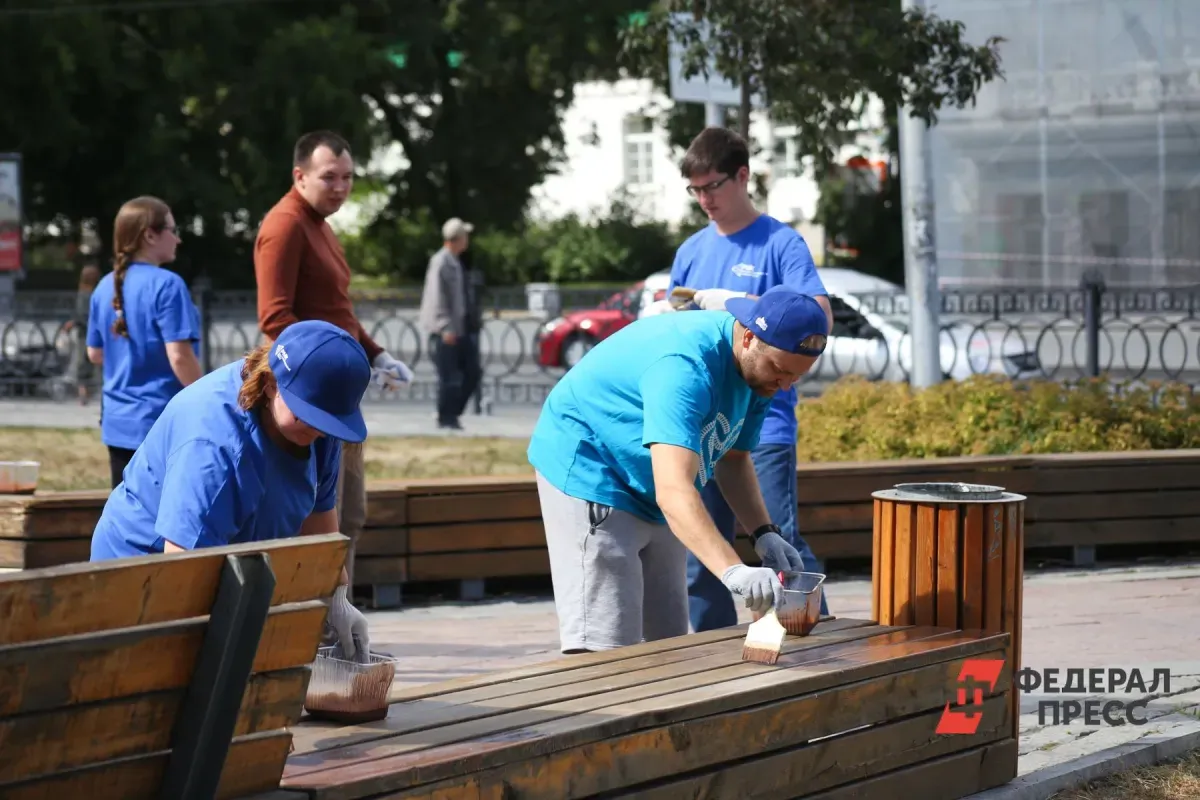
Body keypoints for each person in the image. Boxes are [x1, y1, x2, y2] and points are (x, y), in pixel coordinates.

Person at [527, 285, 829, 653]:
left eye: (796, 377)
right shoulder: (685, 368)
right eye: (781, 371)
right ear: (749, 337)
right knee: (608, 648)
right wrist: (734, 571)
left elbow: (733, 458)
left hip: (659, 483)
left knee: (668, 641)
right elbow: (673, 492)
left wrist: (764, 533)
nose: (784, 385)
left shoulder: (760, 374)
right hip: (595, 469)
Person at [89, 319, 375, 658]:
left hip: (229, 567)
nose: (318, 431)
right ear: (270, 385)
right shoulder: (214, 446)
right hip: (145, 577)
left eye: (329, 423)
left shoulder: (316, 425)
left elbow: (319, 527)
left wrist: (337, 598)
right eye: (309, 417)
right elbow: (184, 573)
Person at [667, 127, 835, 632]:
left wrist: (736, 304)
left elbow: (819, 316)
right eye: (695, 191)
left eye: (712, 186)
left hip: (764, 426)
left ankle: (815, 644)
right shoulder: (692, 249)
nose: (704, 200)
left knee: (778, 544)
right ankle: (714, 665)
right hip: (704, 425)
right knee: (704, 557)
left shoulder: (780, 243)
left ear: (743, 176)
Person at [254, 129, 413, 591]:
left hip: (338, 393)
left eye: (348, 177)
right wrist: (312, 380)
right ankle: (319, 630)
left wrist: (376, 353)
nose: (341, 187)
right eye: (329, 177)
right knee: (323, 519)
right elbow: (274, 317)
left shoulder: (320, 226)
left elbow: (337, 311)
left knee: (351, 515)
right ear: (299, 176)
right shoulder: (284, 225)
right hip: (312, 396)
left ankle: (339, 621)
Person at [87, 196, 203, 489]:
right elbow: (180, 357)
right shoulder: (168, 284)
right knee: (163, 518)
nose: (177, 239)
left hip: (116, 424)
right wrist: (207, 398)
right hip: (160, 424)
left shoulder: (104, 286)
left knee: (127, 513)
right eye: (172, 230)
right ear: (150, 235)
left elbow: (94, 354)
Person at [418, 217, 483, 430]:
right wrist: (445, 327)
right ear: (457, 238)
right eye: (465, 236)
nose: (468, 240)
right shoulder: (441, 261)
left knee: (472, 373)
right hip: (447, 331)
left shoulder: (455, 261)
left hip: (461, 329)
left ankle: (451, 414)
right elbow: (437, 296)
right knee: (449, 377)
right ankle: (446, 418)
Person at [65, 262, 101, 405]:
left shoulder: (85, 293)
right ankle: (88, 392)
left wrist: (73, 322)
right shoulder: (98, 292)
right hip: (94, 330)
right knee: (92, 362)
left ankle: (84, 394)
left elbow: (82, 314)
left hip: (84, 332)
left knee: (82, 363)